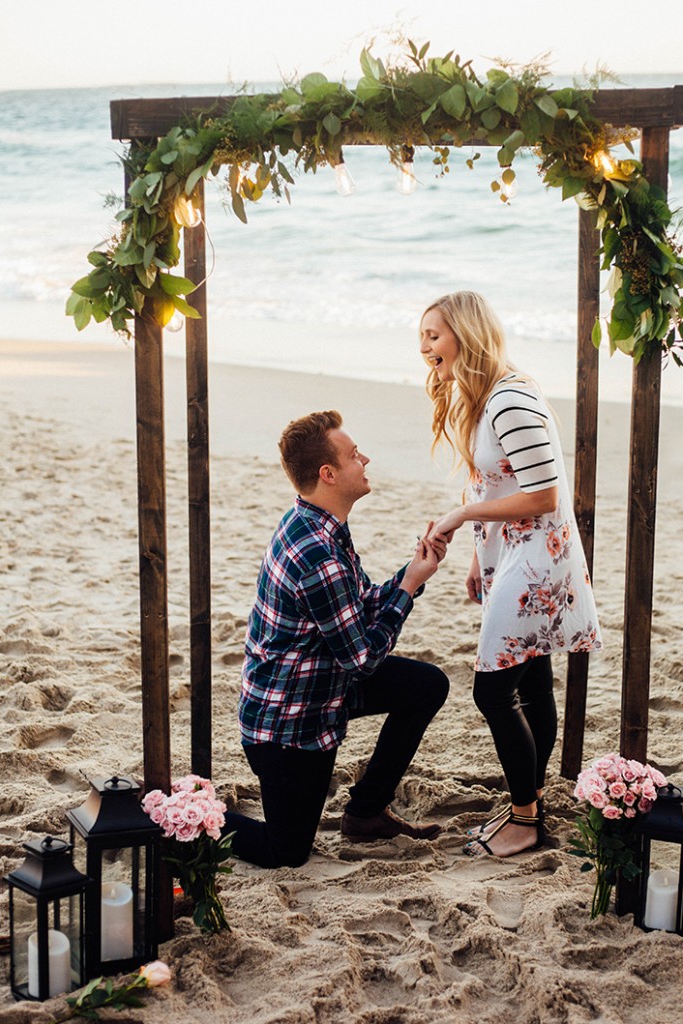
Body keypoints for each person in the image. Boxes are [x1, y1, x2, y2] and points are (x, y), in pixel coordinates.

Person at [419, 291, 602, 859]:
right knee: (532, 682)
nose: (425, 348)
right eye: (421, 337)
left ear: (467, 335)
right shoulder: (484, 397)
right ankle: (533, 801)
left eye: (434, 335)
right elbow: (496, 481)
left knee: (492, 690)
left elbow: (544, 494)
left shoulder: (509, 399)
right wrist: (481, 554)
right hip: (515, 559)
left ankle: (524, 821)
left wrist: (461, 516)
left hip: (538, 562)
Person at [225, 410, 450, 868]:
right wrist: (407, 590)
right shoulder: (317, 553)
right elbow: (363, 659)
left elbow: (360, 604)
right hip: (288, 726)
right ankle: (182, 815)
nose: (364, 459)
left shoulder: (319, 524)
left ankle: (366, 811)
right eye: (353, 455)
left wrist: (414, 571)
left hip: (322, 690)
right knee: (285, 852)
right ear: (328, 474)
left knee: (427, 685)